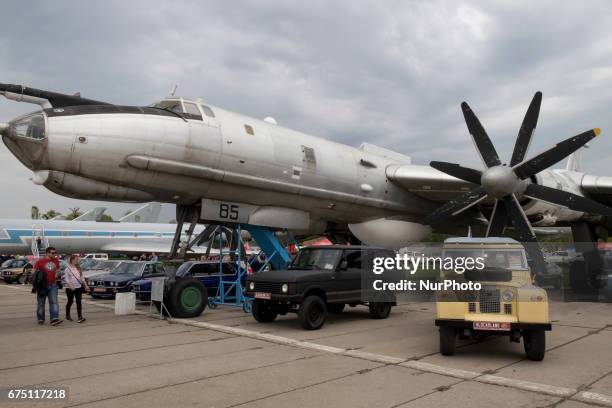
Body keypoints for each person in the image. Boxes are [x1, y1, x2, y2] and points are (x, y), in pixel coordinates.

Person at [33, 247, 63, 326]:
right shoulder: (40, 261)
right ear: (47, 253)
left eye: (55, 253)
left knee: (54, 302)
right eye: (53, 253)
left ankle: (54, 318)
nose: (54, 255)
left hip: (53, 284)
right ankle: (40, 318)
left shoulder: (56, 261)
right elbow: (34, 272)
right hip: (42, 286)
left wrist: (57, 274)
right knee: (41, 303)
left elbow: (58, 269)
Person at [64, 254, 89, 323]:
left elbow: (82, 278)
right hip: (70, 288)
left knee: (79, 302)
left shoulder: (78, 268)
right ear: (72, 260)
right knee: (70, 301)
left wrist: (86, 285)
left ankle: (80, 317)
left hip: (78, 287)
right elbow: (66, 279)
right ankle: (67, 315)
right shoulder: (67, 269)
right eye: (76, 259)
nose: (77, 261)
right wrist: (70, 286)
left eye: (78, 260)